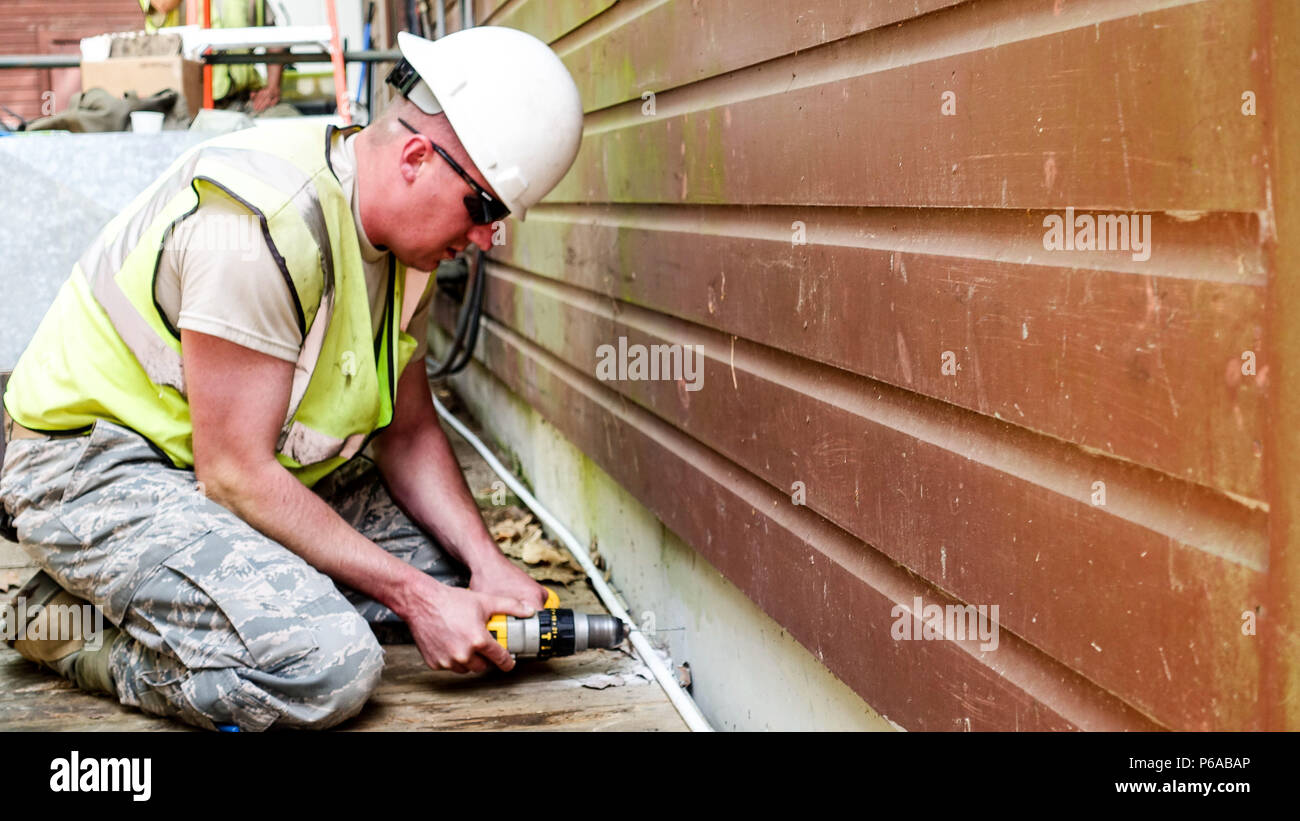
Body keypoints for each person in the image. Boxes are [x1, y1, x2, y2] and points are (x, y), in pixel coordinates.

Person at [0, 26, 584, 731]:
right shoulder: (263, 225)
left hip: (213, 467)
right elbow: (235, 473)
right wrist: (414, 599)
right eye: (485, 208)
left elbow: (407, 429)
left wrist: (485, 563)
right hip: (96, 465)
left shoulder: (408, 250)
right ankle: (60, 624)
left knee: (466, 588)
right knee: (324, 667)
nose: (489, 237)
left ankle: (188, 589)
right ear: (416, 157)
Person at [138, 0, 289, 115]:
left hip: (246, 100)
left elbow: (273, 35)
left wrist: (272, 87)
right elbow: (161, 4)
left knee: (289, 125)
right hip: (186, 106)